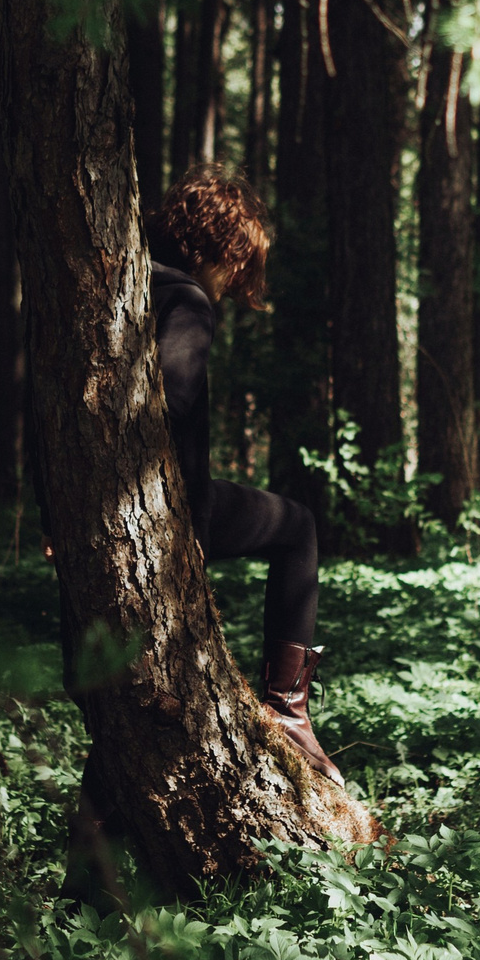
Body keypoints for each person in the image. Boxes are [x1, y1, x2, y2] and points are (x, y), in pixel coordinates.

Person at [147, 163, 343, 785]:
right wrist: (190, 534)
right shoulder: (186, 299)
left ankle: (81, 881)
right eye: (241, 262)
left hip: (118, 510)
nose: (237, 282)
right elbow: (170, 409)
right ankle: (288, 712)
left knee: (132, 709)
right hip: (168, 506)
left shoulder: (129, 283)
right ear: (224, 247)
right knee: (299, 526)